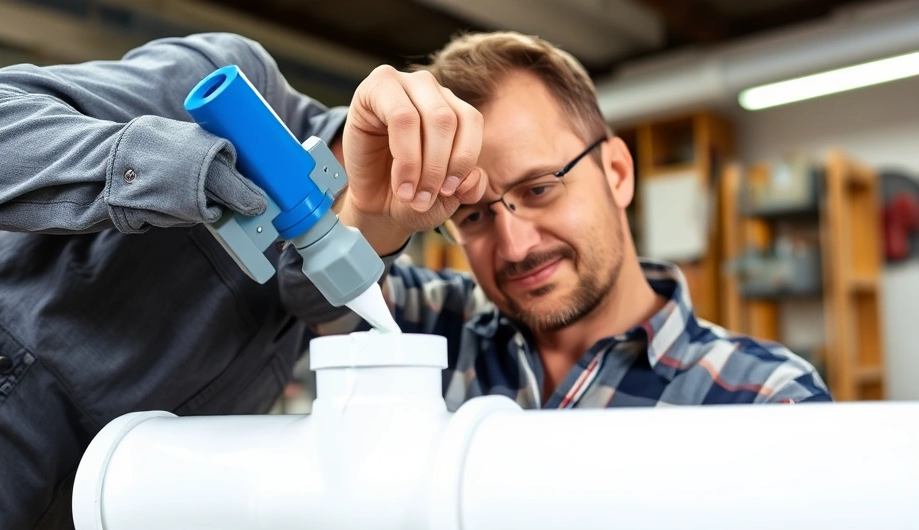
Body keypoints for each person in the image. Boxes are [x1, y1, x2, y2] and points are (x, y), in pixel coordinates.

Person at [0, 33, 479, 530]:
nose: (494, 219)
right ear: (412, 110)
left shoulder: (320, 308)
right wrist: (181, 170)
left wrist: (370, 223)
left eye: (471, 208)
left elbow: (304, 289)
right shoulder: (239, 90)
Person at [281, 30, 832, 410]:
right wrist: (376, 213)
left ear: (616, 171)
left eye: (540, 188)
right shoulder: (433, 328)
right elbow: (309, 297)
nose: (516, 246)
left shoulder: (764, 397)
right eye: (472, 217)